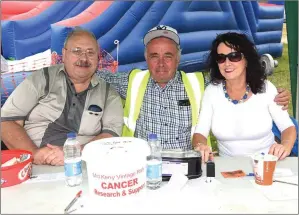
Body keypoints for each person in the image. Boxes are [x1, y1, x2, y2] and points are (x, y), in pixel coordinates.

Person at [98, 25, 290, 155]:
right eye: (154, 56)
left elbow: (235, 78)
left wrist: (277, 93)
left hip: (186, 166)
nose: (161, 63)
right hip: (144, 164)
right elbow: (98, 75)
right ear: (146, 57)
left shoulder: (201, 83)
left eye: (168, 55)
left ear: (179, 57)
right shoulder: (132, 81)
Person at [1, 28, 123, 166]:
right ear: (64, 54)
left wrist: (76, 153)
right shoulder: (42, 79)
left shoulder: (108, 93)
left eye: (90, 53)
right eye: (77, 51)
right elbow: (6, 121)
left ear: (98, 58)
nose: (84, 58)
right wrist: (34, 154)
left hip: (83, 165)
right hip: (32, 164)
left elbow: (111, 136)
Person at [192, 32, 296, 162]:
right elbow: (200, 132)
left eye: (234, 56)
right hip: (227, 168)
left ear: (247, 59)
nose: (227, 63)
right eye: (221, 58)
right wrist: (200, 146)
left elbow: (288, 127)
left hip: (267, 164)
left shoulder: (266, 88)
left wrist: (284, 146)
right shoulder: (212, 92)